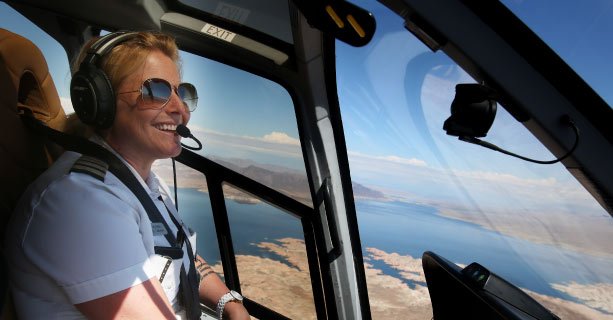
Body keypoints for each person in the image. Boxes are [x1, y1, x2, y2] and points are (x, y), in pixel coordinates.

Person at [4, 31, 250, 319]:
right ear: (101, 101)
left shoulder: (146, 184)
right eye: (156, 90)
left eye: (181, 92)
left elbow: (176, 248)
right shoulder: (79, 203)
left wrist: (230, 305)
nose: (180, 109)